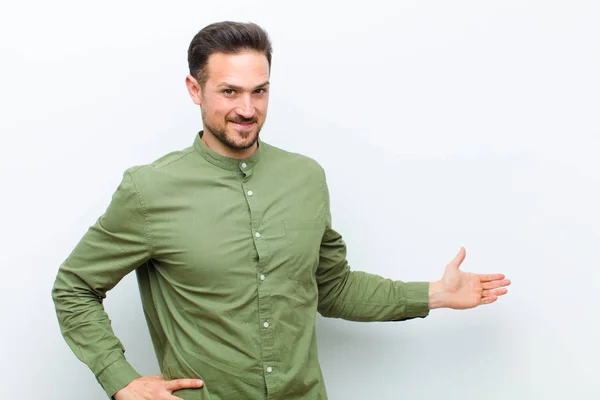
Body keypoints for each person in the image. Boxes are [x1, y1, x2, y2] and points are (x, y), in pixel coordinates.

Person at [52, 21, 511, 400]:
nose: (247, 109)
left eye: (260, 91)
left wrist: (436, 293)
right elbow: (74, 286)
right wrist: (121, 380)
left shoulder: (306, 178)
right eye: (229, 92)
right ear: (195, 89)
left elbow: (331, 288)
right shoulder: (148, 190)